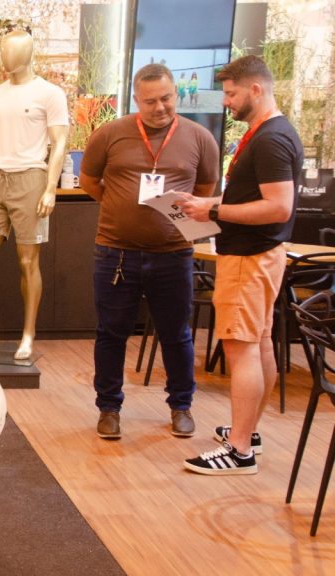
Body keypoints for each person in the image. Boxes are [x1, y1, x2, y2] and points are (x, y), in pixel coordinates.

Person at [79, 63, 220, 440]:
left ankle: (181, 406)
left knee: (177, 335)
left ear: (176, 94)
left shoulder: (200, 138)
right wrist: (119, 205)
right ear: (136, 100)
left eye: (167, 98)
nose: (160, 107)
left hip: (174, 254)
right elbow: (89, 181)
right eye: (150, 101)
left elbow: (205, 188)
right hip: (115, 253)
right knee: (111, 333)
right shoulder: (109, 134)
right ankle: (109, 408)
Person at [177, 55, 303, 475]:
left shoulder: (270, 140)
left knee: (241, 347)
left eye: (231, 94)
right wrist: (209, 204)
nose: (226, 101)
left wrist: (214, 212)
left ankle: (239, 450)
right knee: (258, 344)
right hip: (258, 255)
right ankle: (248, 432)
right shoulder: (269, 134)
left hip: (250, 258)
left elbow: (278, 207)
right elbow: (254, 198)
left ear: (256, 89)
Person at [0, 29, 69, 361]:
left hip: (30, 178)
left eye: (14, 50)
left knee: (27, 262)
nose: (7, 57)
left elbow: (60, 142)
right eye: (4, 50)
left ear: (28, 53)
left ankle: (28, 335)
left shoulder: (49, 94)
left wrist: (50, 188)